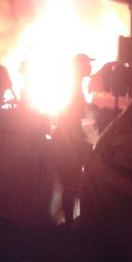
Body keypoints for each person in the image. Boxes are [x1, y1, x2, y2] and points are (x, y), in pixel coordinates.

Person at [53, 53, 93, 227]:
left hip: (68, 141)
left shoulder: (74, 87)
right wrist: (78, 143)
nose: (90, 67)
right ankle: (68, 225)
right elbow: (69, 120)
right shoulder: (73, 89)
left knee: (70, 184)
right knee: (70, 184)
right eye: (87, 64)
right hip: (68, 144)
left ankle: (68, 222)